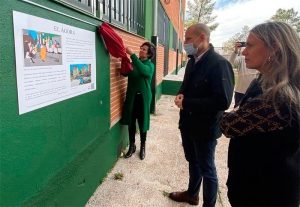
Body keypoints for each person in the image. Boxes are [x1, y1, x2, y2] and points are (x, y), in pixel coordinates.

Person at [219, 22, 300, 206]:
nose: (245, 51)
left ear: (274, 48)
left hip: (266, 193)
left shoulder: (280, 99)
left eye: (251, 45)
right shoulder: (264, 82)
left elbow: (228, 124)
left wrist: (235, 112)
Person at [169, 23, 234, 206]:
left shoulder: (220, 64)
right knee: (192, 161)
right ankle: (192, 194)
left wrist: (187, 102)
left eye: (188, 38)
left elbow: (222, 101)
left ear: (202, 38)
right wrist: (181, 93)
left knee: (208, 169)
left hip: (205, 128)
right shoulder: (192, 60)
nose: (185, 42)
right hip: (188, 123)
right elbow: (186, 84)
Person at [120, 42, 156, 160]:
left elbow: (143, 71)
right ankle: (132, 146)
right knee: (131, 121)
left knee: (142, 122)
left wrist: (132, 55)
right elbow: (124, 73)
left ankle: (143, 146)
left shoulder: (149, 66)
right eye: (140, 48)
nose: (141, 50)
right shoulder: (134, 63)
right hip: (132, 97)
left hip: (143, 99)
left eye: (144, 49)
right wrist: (124, 61)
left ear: (149, 54)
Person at [229, 42, 257, 108]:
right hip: (240, 90)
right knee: (237, 109)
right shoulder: (242, 58)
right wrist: (236, 51)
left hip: (253, 91)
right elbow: (232, 62)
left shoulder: (259, 59)